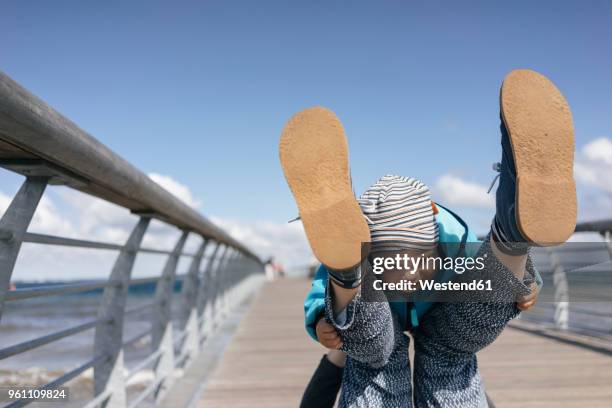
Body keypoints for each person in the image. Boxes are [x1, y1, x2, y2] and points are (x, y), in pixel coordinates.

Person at [279, 69, 576, 407]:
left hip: (423, 316)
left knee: (375, 357)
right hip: (386, 318)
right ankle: (508, 243)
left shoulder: (453, 237)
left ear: (434, 227)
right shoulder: (366, 244)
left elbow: (481, 271)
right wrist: (321, 320)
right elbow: (321, 290)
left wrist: (523, 281)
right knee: (438, 360)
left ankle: (512, 239)